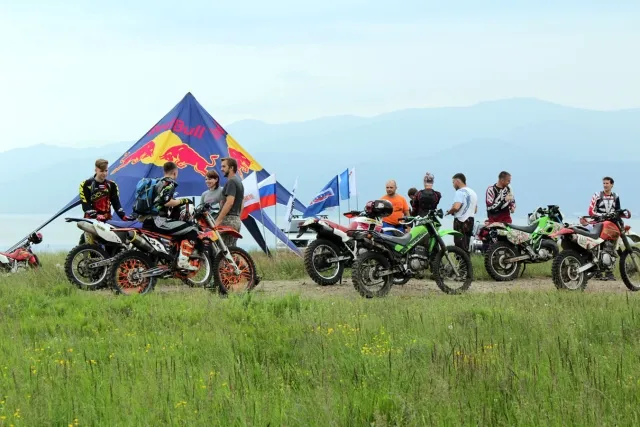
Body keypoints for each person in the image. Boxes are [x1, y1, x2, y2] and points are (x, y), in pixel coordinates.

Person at [141, 161, 199, 271]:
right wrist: (184, 201)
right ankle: (183, 261)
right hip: (158, 221)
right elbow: (167, 202)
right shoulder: (169, 183)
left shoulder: (157, 182)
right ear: (175, 172)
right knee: (192, 229)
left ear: (164, 171)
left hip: (147, 221)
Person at [581, 176, 621, 280]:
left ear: (612, 185)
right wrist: (602, 216)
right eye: (604, 183)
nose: (605, 185)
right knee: (597, 246)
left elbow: (618, 211)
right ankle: (597, 272)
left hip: (611, 225)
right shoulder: (597, 195)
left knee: (611, 247)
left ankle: (609, 273)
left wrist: (618, 220)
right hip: (599, 224)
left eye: (607, 183)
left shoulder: (616, 196)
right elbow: (591, 211)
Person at [215, 157, 244, 247]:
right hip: (236, 220)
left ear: (231, 168)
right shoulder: (239, 182)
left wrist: (218, 220)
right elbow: (242, 202)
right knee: (231, 250)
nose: (221, 169)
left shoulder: (231, 181)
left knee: (221, 249)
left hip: (228, 220)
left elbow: (229, 202)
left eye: (224, 166)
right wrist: (238, 218)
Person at [446, 173, 478, 252]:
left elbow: (456, 207)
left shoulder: (460, 192)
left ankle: (460, 259)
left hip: (461, 221)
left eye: (453, 182)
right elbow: (475, 210)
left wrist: (449, 212)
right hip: (470, 220)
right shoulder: (473, 192)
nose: (453, 185)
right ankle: (466, 259)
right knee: (466, 244)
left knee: (459, 245)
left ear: (457, 181)